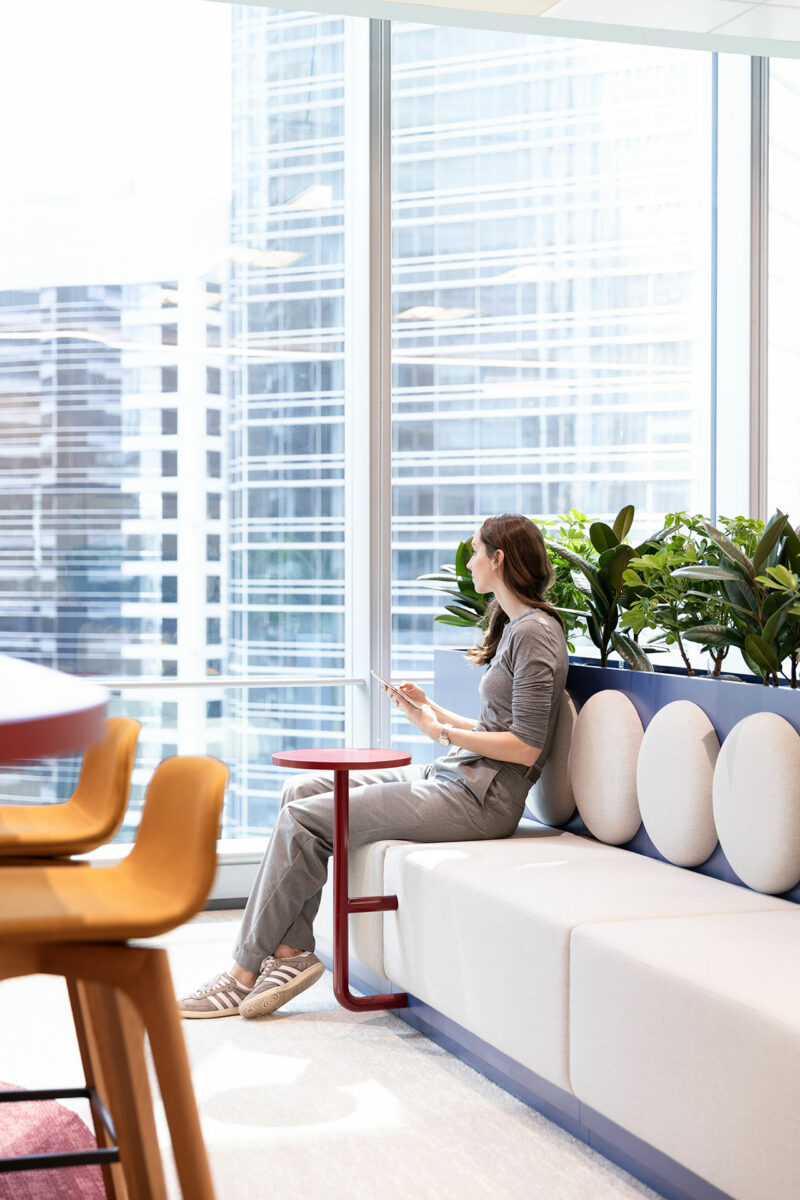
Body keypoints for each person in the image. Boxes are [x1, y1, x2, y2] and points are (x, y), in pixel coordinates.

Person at [178, 513, 569, 1020]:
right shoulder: (518, 628)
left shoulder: (536, 633)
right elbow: (501, 724)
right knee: (303, 791)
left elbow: (525, 747)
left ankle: (242, 972)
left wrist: (440, 733)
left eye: (476, 551)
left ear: (498, 559)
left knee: (304, 820)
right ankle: (292, 952)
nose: (469, 562)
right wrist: (430, 713)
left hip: (480, 800)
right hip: (457, 776)